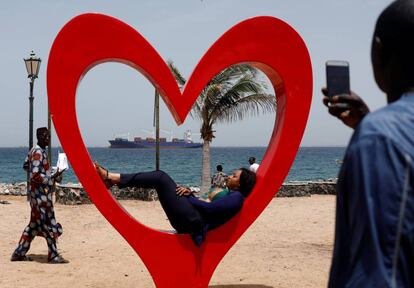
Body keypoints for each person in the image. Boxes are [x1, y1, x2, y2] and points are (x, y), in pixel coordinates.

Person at [323, 1, 414, 286]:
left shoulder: (380, 137)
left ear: (378, 50)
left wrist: (374, 131)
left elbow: (380, 272)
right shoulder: (384, 133)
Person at [95, 164, 256, 246]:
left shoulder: (237, 198)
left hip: (193, 223)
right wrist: (190, 195)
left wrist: (189, 197)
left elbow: (210, 209)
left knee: (160, 177)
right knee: (160, 178)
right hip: (191, 220)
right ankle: (112, 179)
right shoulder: (233, 195)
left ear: (241, 183)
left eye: (234, 176)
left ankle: (111, 178)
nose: (229, 176)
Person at [11, 127, 68, 264]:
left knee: (33, 226)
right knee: (46, 224)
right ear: (40, 137)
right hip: (40, 196)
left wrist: (49, 172)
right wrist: (50, 177)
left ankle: (19, 253)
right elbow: (35, 174)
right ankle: (53, 255)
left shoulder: (35, 151)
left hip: (38, 195)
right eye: (46, 136)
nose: (48, 139)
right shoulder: (38, 152)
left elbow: (26, 166)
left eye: (49, 136)